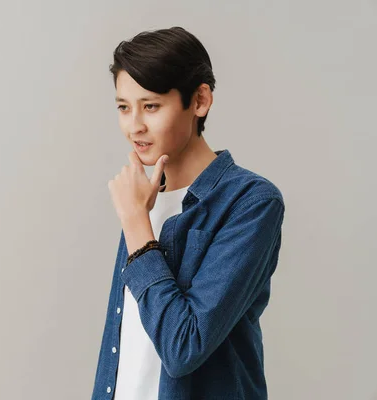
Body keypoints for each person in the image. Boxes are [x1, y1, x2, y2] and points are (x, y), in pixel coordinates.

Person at [91, 26, 285, 399]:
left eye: (151, 106)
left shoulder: (250, 202)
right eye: (123, 107)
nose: (134, 126)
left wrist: (135, 224)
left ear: (199, 101)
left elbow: (184, 347)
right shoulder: (143, 198)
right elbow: (127, 344)